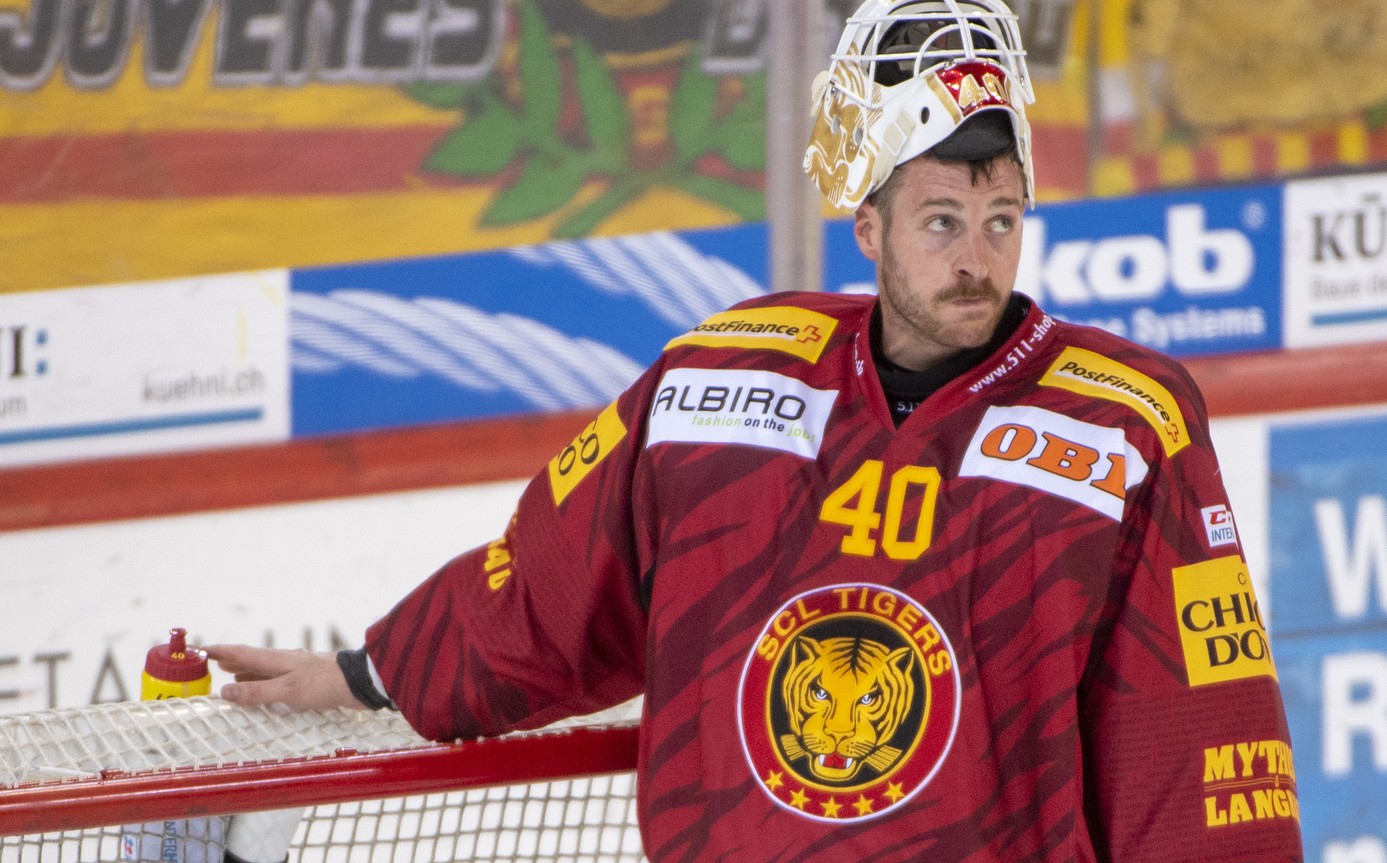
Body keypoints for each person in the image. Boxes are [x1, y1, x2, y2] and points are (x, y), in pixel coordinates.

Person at [209, 1, 1304, 860]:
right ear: (867, 225)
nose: (976, 255)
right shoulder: (720, 378)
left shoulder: (1122, 421)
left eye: (1000, 219)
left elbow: (1195, 740)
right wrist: (368, 672)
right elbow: (543, 592)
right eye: (939, 220)